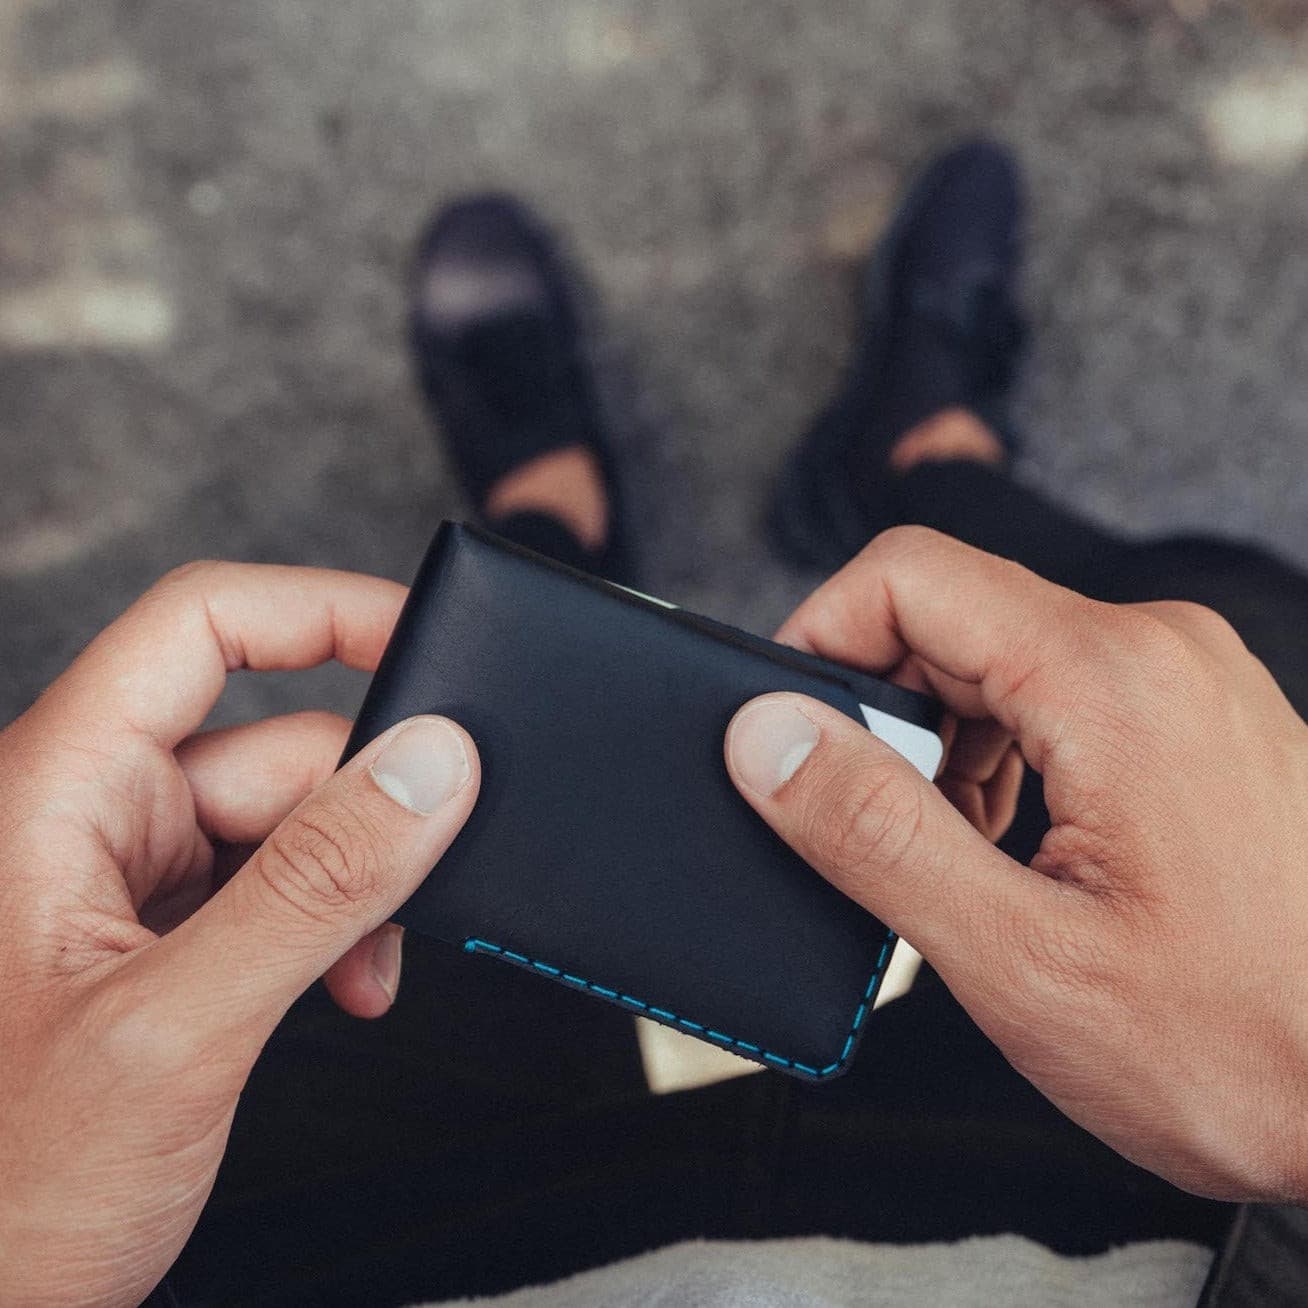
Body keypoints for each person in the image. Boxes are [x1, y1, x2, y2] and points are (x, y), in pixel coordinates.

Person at [1, 141, 1305, 1308]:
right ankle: (926, 461)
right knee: (1239, 629)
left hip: (385, 1223)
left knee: (494, 780)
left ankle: (555, 523)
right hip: (1120, 1202)